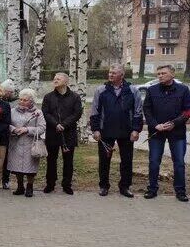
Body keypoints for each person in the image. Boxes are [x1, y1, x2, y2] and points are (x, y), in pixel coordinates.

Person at [89, 64, 142, 198]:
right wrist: (95, 129)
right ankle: (103, 186)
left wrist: (136, 129)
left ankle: (125, 186)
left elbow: (138, 112)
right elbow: (95, 111)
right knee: (104, 160)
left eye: (114, 73)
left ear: (122, 75)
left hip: (127, 132)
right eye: (110, 72)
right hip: (105, 131)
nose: (110, 75)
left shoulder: (132, 90)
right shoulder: (101, 90)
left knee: (127, 160)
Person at [142, 65, 190, 201]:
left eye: (163, 73)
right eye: (158, 74)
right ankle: (152, 189)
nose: (160, 76)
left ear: (172, 74)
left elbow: (187, 111)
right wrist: (155, 125)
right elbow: (147, 110)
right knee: (154, 161)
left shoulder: (183, 90)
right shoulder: (151, 90)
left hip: (177, 132)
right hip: (157, 132)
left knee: (179, 162)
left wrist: (175, 123)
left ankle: (180, 191)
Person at [41, 73, 83, 195]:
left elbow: (77, 113)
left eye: (58, 79)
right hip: (52, 132)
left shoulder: (75, 97)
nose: (55, 80)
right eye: (54, 78)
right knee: (51, 160)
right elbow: (45, 113)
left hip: (68, 133)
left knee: (68, 161)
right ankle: (50, 184)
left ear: (66, 81)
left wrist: (64, 124)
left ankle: (67, 185)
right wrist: (55, 124)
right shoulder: (48, 97)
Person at [7, 89, 46, 198]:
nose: (21, 102)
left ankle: (30, 187)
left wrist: (27, 130)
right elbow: (7, 124)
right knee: (17, 167)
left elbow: (42, 128)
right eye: (20, 99)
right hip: (16, 142)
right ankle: (20, 187)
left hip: (30, 143)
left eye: (25, 100)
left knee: (30, 168)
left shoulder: (38, 113)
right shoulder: (12, 111)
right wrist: (14, 129)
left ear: (31, 101)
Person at [0, 79, 18, 190]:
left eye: (11, 92)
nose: (9, 94)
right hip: (1, 132)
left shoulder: (16, 101)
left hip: (12, 133)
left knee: (8, 158)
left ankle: (5, 179)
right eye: (7, 91)